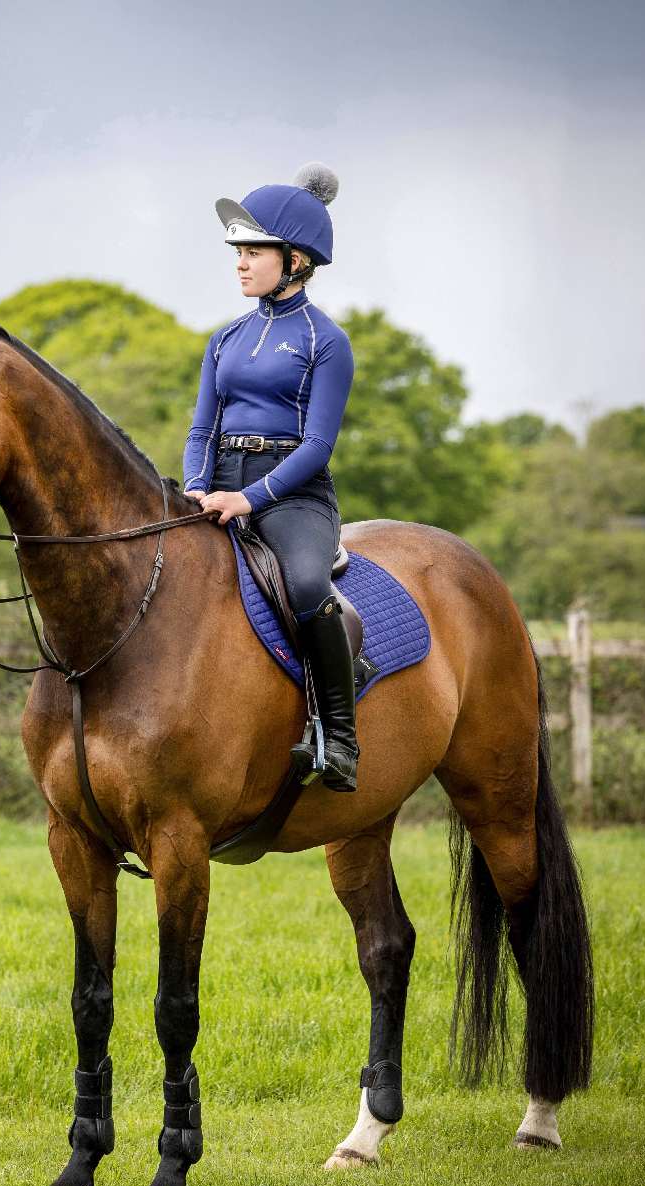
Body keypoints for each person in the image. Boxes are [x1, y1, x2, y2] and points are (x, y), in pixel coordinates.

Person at [182, 163, 360, 792]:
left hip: (293, 494)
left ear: (296, 260)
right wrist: (196, 487)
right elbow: (202, 429)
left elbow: (317, 446)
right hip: (220, 478)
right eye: (239, 251)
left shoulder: (327, 342)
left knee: (308, 584)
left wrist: (250, 497)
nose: (240, 262)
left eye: (254, 251)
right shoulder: (224, 338)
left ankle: (339, 735)